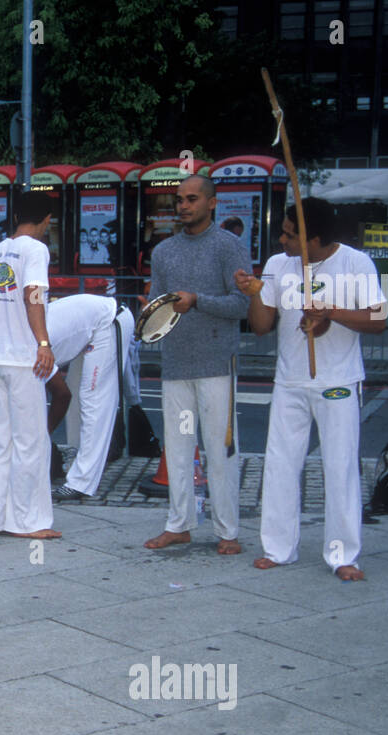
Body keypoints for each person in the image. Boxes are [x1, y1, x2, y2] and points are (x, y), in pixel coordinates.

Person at [235, 197, 385, 581]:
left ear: (314, 238)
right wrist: (254, 291)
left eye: (289, 234)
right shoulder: (276, 265)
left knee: (340, 466)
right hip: (290, 380)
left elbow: (379, 319)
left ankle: (342, 553)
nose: (281, 240)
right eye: (282, 232)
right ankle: (278, 547)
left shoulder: (356, 263)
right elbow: (261, 326)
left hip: (338, 382)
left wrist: (330, 312)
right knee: (281, 464)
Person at [144, 175, 251, 554]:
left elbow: (242, 306)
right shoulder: (164, 251)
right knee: (177, 449)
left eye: (191, 199)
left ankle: (228, 531)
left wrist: (197, 300)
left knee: (220, 451)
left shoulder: (230, 247)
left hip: (217, 366)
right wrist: (149, 315)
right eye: (179, 200)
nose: (183, 206)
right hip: (175, 366)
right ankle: (179, 524)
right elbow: (156, 305)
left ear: (212, 203)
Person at [0, 189, 59, 539]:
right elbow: (34, 297)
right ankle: (28, 522)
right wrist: (43, 343)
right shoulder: (36, 249)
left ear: (16, 218)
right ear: (45, 220)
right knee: (31, 442)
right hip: (21, 357)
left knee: (4, 442)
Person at [44, 293, 134, 500]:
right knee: (80, 399)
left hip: (109, 321)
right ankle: (77, 458)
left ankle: (81, 482)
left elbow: (62, 396)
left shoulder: (25, 351)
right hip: (92, 323)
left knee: (94, 401)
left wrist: (43, 434)